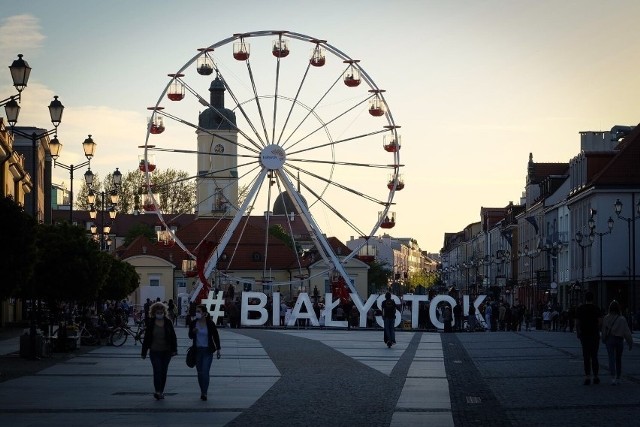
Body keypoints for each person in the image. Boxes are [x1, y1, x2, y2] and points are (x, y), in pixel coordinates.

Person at [141, 302, 178, 399]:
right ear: (154, 312)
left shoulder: (168, 322)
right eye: (157, 312)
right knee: (157, 371)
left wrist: (174, 349)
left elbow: (173, 337)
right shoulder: (151, 323)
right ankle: (157, 391)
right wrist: (144, 352)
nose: (160, 314)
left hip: (166, 352)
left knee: (163, 371)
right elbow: (147, 338)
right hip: (154, 351)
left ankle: (161, 391)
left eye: (161, 312)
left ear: (164, 312)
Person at [189, 304, 222, 400]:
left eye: (199, 311)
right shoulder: (194, 323)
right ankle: (202, 390)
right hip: (197, 350)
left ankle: (205, 393)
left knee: (205, 371)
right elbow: (190, 336)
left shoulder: (210, 323)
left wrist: (218, 349)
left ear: (204, 313)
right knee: (200, 372)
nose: (197, 313)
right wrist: (193, 332)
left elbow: (215, 336)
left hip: (207, 351)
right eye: (196, 311)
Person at [601, 300, 633, 385]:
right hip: (619, 339)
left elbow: (603, 330)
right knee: (618, 359)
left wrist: (603, 339)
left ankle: (613, 377)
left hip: (610, 340)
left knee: (611, 358)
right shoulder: (622, 319)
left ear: (610, 308)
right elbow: (627, 332)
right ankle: (618, 377)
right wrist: (630, 343)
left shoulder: (606, 318)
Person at [575, 291, 601, 385]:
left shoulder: (580, 309)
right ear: (592, 299)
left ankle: (587, 377)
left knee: (586, 356)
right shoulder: (596, 308)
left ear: (585, 299)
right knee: (594, 356)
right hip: (594, 335)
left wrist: (578, 333)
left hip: (584, 335)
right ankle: (596, 376)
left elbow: (577, 323)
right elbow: (599, 322)